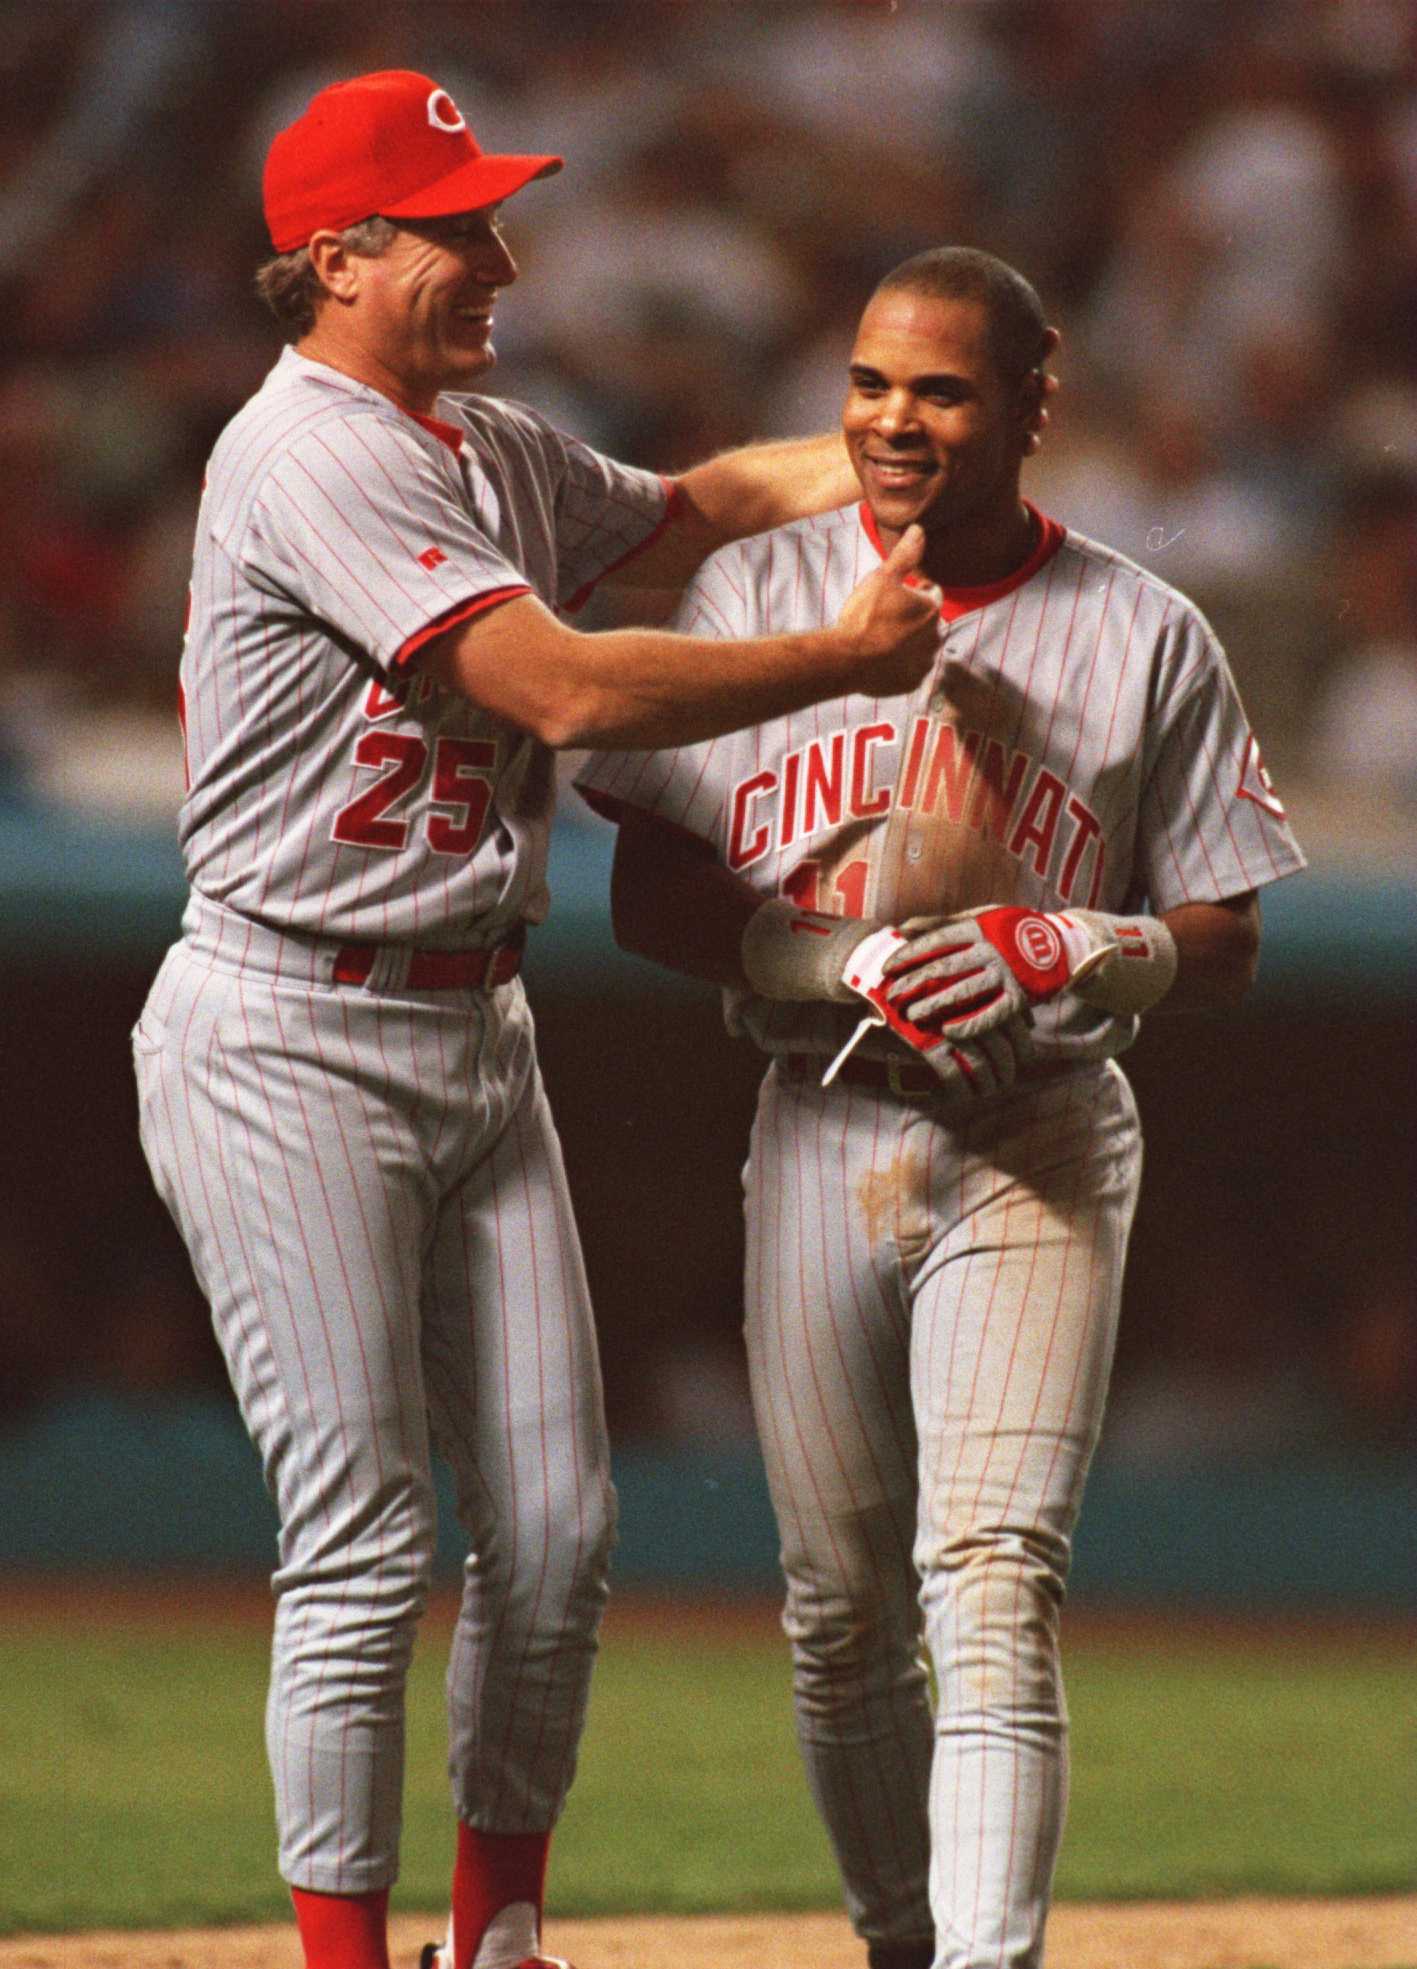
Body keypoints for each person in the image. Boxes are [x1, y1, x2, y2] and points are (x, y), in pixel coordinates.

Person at [131, 68, 949, 1969]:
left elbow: (688, 509)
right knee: (359, 1542)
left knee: (562, 1531)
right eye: (454, 225)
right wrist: (839, 654)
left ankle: (492, 1942)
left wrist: (898, 448)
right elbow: (563, 689)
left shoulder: (475, 439)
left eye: (494, 214)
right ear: (334, 258)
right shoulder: (309, 450)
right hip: (287, 1027)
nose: (501, 250)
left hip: (468, 1027)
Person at [576, 246, 1307, 1969]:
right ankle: (900, 1939)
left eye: (944, 387)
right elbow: (642, 893)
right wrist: (821, 956)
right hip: (819, 1115)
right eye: (869, 383)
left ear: (1035, 402)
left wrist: (1081, 935)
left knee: (986, 1577)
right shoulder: (759, 589)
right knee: (836, 1613)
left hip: (1036, 1133)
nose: (893, 419)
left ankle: (984, 1961)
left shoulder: (1142, 625)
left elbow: (1228, 936)